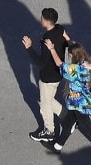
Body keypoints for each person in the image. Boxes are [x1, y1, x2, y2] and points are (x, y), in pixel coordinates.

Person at [41, 40, 91, 162]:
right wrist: (66, 37)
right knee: (68, 123)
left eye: (70, 54)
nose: (68, 56)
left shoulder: (74, 69)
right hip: (83, 102)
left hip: (79, 105)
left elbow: (59, 64)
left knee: (90, 130)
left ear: (73, 55)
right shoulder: (86, 65)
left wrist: (52, 49)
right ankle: (58, 146)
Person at [22, 7, 71, 142]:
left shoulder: (47, 40)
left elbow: (41, 62)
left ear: (46, 21)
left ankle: (49, 131)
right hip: (58, 74)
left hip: (48, 77)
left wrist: (29, 47)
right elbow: (68, 43)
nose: (40, 19)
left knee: (45, 105)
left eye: (42, 18)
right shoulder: (60, 29)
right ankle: (68, 118)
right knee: (48, 99)